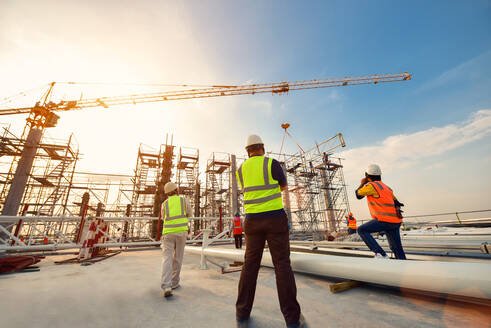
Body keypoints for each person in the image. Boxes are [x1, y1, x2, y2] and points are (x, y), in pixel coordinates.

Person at [235, 134, 305, 328]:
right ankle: (292, 318)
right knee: (282, 265)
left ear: (247, 151)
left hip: (252, 221)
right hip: (274, 219)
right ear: (262, 147)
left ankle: (242, 313)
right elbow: (283, 186)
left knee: (250, 265)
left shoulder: (240, 170)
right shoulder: (271, 164)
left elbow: (249, 191)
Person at [355, 164, 406, 260]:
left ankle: (381, 254)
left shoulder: (371, 186)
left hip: (384, 220)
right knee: (397, 248)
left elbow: (358, 194)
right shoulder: (387, 188)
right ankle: (403, 266)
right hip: (395, 221)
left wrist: (362, 183)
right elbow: (396, 202)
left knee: (362, 230)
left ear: (367, 175)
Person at [160, 181, 192, 297]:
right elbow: (190, 214)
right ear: (176, 191)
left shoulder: (164, 204)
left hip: (168, 233)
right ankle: (174, 283)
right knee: (178, 257)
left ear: (167, 193)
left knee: (166, 259)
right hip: (181, 233)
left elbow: (164, 218)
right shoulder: (184, 201)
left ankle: (166, 286)